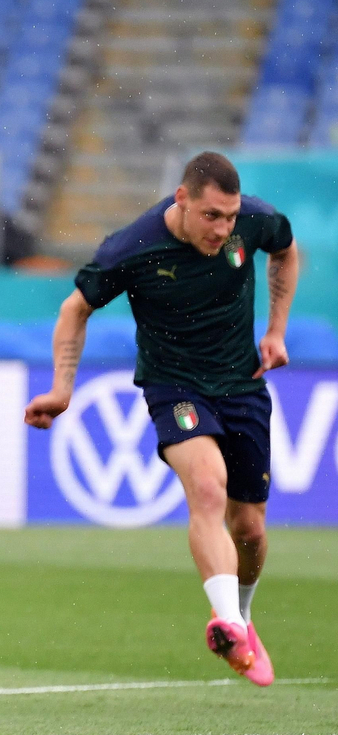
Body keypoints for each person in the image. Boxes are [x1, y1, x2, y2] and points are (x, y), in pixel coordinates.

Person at [25, 151, 297, 686]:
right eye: (211, 216)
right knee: (207, 488)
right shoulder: (132, 248)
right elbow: (72, 310)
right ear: (182, 200)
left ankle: (242, 616)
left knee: (250, 528)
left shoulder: (255, 221)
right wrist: (62, 388)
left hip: (242, 384)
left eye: (230, 216)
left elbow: (285, 253)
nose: (223, 229)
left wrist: (277, 329)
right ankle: (226, 624)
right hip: (175, 386)